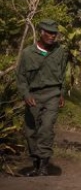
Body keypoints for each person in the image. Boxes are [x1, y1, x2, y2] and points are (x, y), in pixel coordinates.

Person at [16, 19, 68, 177]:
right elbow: (21, 78)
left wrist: (61, 94)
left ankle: (44, 165)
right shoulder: (27, 53)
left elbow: (64, 74)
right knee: (31, 130)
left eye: (55, 33)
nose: (53, 36)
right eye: (49, 33)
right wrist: (26, 95)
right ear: (41, 33)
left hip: (52, 94)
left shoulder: (61, 52)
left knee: (46, 128)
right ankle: (36, 164)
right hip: (34, 95)